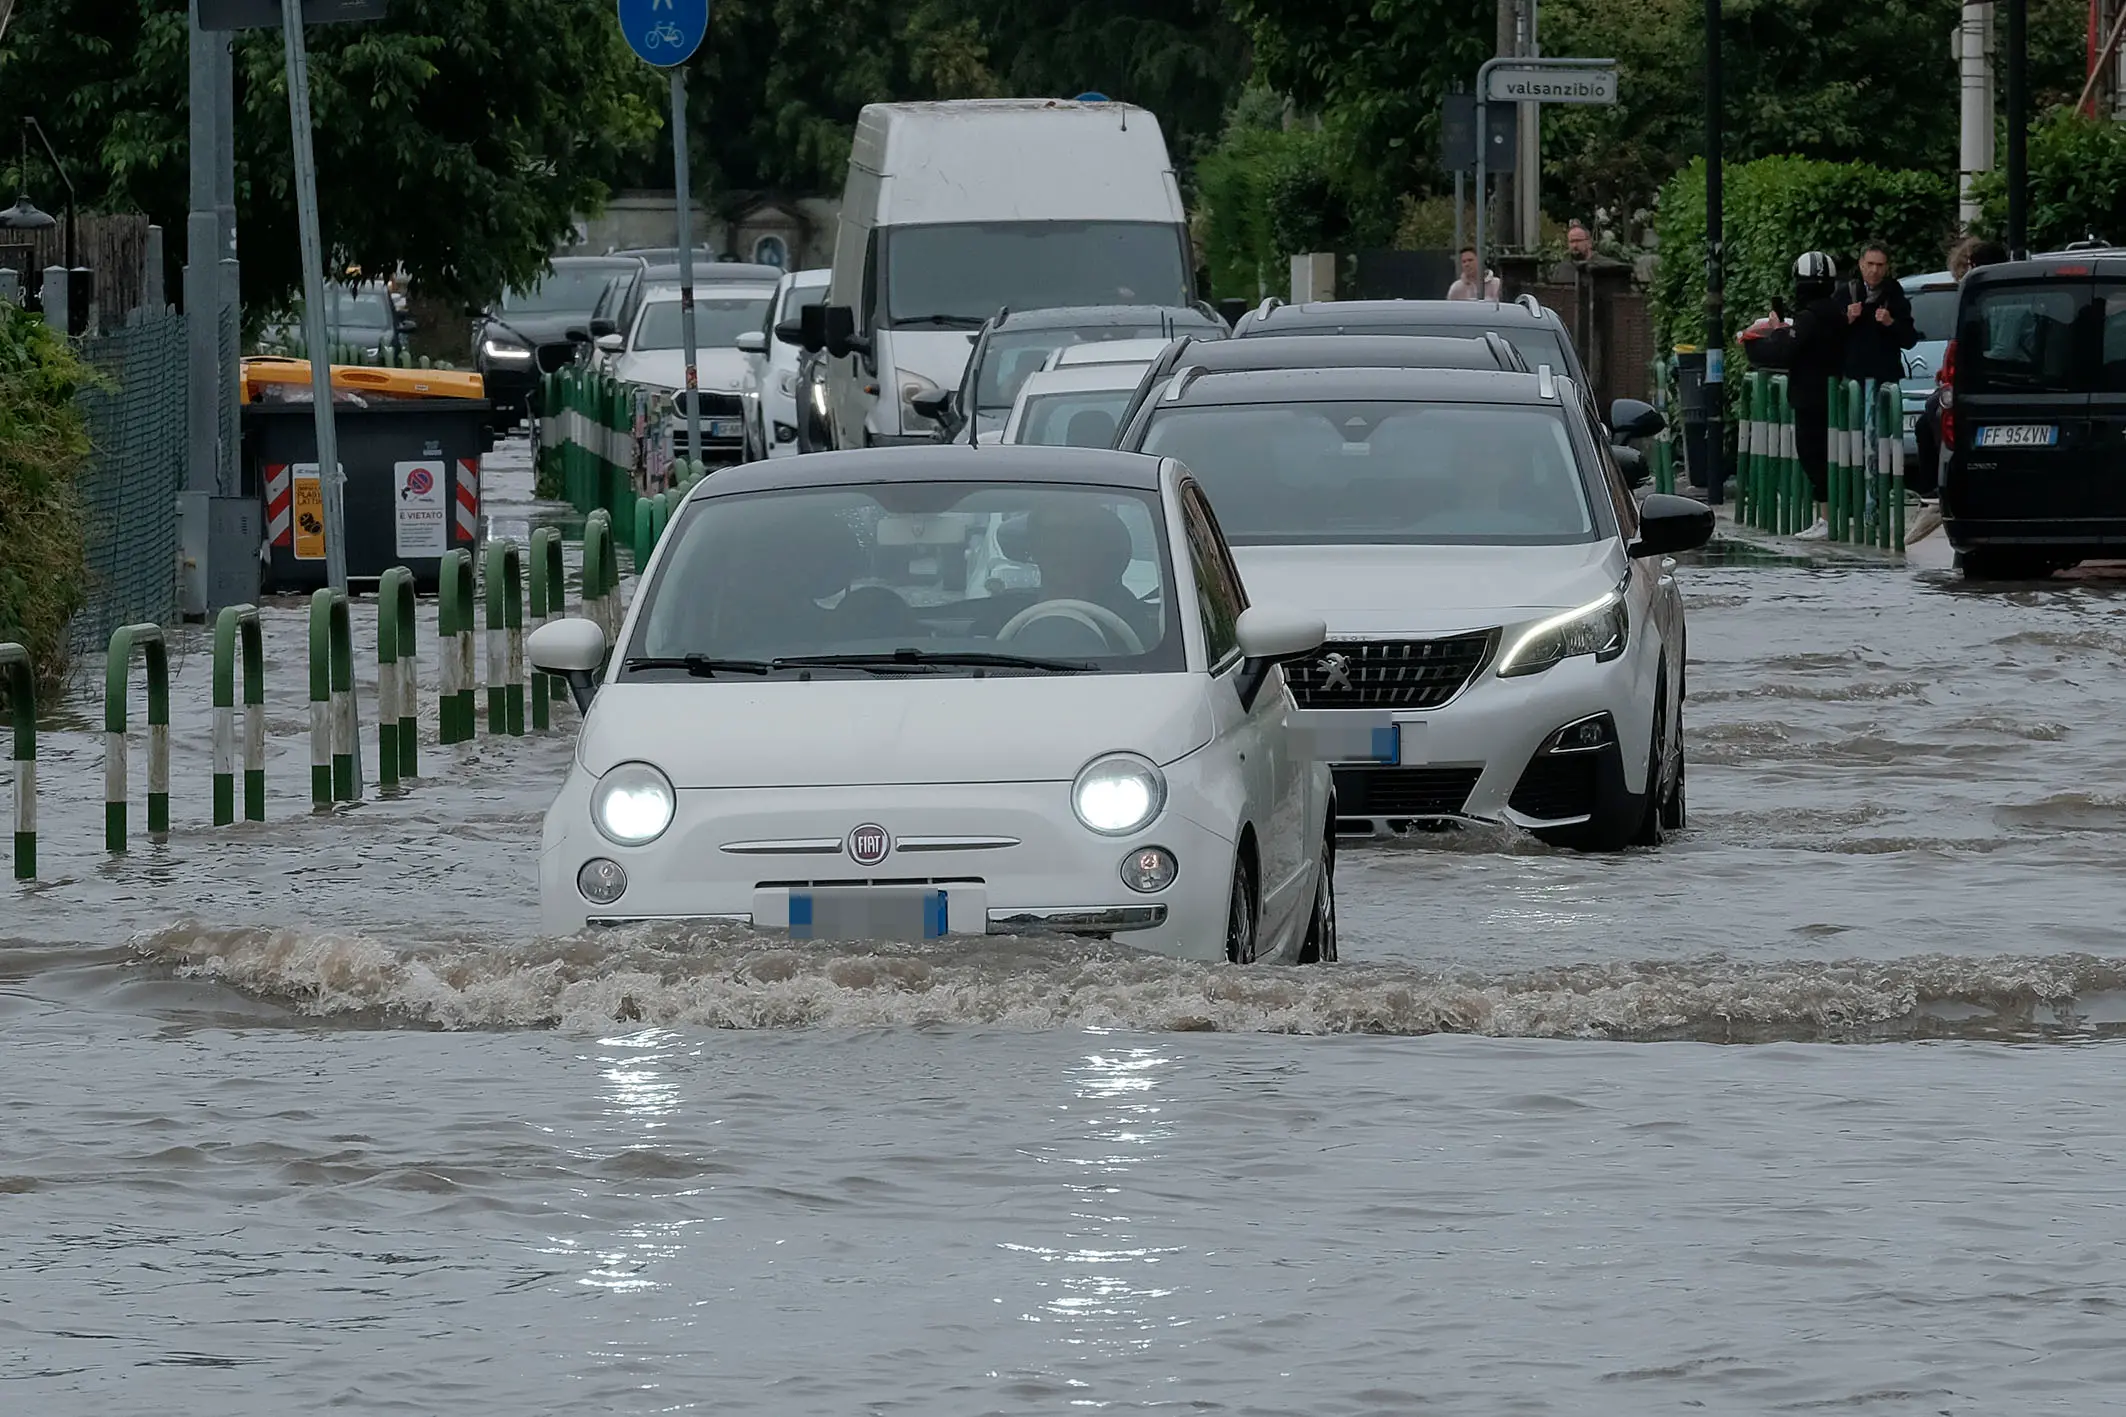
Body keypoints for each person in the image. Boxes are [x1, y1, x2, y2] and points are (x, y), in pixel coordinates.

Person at [1910, 237, 2009, 517]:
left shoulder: (1992, 300)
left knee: (1937, 417)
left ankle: (1936, 493)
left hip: (1985, 383)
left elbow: (1993, 349)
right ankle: (1933, 492)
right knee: (1931, 417)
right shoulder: (1983, 298)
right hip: (1979, 381)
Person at [1787, 251, 1848, 540]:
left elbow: (1785, 351)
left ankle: (1827, 519)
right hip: (1831, 392)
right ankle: (1828, 517)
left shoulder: (1808, 318)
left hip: (1810, 396)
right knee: (1828, 456)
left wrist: (1774, 334)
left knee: (1813, 456)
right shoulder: (1836, 313)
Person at [1841, 243, 1919, 387]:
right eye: (1870, 264)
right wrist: (1846, 319)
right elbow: (1828, 335)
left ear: (1886, 267)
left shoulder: (1895, 294)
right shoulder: (1845, 293)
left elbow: (1910, 339)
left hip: (1885, 379)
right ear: (1861, 264)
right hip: (1853, 379)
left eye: (1880, 265)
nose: (1874, 270)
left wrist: (1891, 323)